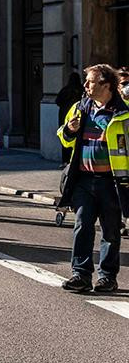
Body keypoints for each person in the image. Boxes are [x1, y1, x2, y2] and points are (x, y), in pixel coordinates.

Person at [56, 64, 124, 293]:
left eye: (91, 81)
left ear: (106, 85)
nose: (85, 86)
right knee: (82, 226)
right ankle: (80, 274)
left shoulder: (123, 113)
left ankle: (107, 277)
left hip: (112, 182)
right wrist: (69, 130)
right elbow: (64, 138)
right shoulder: (79, 107)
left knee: (111, 231)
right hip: (83, 179)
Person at [56, 72, 83, 166]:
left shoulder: (65, 90)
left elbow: (57, 101)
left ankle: (65, 160)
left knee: (66, 137)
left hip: (65, 115)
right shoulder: (81, 89)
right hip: (76, 116)